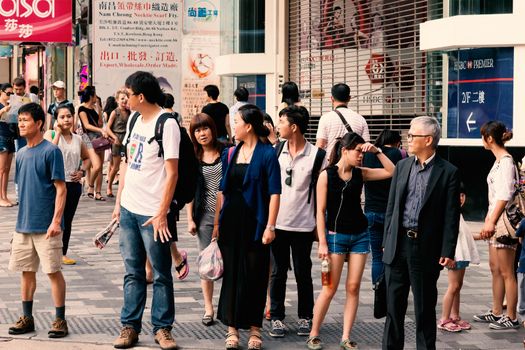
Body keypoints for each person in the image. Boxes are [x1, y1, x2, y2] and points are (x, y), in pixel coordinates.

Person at [307, 132, 394, 350]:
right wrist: (323, 243)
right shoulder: (327, 175)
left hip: (360, 236)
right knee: (329, 287)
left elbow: (392, 171)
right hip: (336, 237)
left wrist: (377, 151)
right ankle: (314, 333)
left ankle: (345, 336)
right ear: (345, 151)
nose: (361, 156)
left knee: (353, 287)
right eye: (358, 151)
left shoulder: (360, 173)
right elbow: (320, 212)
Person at [111, 71, 179, 349]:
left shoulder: (167, 123)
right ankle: (130, 326)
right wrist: (118, 202)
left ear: (141, 96)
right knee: (133, 271)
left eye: (128, 94)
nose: (125, 98)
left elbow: (172, 173)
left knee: (161, 273)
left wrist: (163, 212)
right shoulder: (135, 119)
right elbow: (127, 161)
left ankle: (163, 329)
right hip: (129, 208)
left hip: (153, 213)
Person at [382, 116, 461, 350]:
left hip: (425, 248)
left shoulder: (448, 172)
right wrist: (388, 238)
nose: (407, 139)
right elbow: (392, 207)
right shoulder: (403, 166)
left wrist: (448, 249)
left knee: (424, 309)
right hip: (397, 246)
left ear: (428, 140)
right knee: (393, 308)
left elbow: (451, 215)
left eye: (411, 135)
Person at [217, 104, 281, 350]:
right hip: (231, 222)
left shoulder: (267, 154)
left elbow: (275, 193)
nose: (234, 126)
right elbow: (223, 191)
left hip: (257, 222)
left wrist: (270, 226)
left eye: (237, 122)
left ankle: (255, 329)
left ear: (248, 126)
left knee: (255, 274)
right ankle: (232, 328)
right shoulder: (232, 152)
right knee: (232, 274)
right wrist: (217, 226)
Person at [7, 102, 68, 338]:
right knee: (26, 271)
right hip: (23, 225)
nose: (21, 124)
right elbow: (23, 191)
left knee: (52, 271)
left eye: (26, 120)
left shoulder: (51, 152)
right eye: (19, 120)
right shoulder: (21, 154)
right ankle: (27, 318)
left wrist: (56, 221)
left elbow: (61, 190)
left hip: (47, 227)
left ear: (39, 123)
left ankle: (60, 320)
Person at [269, 105, 326, 339]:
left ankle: (306, 317)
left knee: (303, 272)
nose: (277, 126)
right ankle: (277, 317)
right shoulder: (276, 151)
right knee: (277, 272)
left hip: (303, 225)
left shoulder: (317, 156)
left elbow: (323, 195)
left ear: (294, 127)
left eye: (281, 122)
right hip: (278, 224)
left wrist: (319, 226)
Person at [473, 121, 520, 330]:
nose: (481, 140)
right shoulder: (499, 161)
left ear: (489, 138)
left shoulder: (507, 161)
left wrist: (491, 220)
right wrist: (489, 218)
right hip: (495, 217)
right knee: (495, 268)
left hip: (504, 221)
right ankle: (496, 311)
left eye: (483, 136)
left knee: (507, 270)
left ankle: (511, 316)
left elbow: (505, 194)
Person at [187, 112, 223, 326]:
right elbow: (191, 191)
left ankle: (228, 307)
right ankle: (208, 308)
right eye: (197, 130)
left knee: (230, 260)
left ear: (212, 129)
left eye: (205, 128)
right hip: (205, 216)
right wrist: (190, 218)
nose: (202, 133)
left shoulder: (227, 151)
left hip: (228, 215)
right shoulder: (194, 158)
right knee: (206, 263)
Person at [44, 105, 90, 265]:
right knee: (55, 218)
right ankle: (49, 251)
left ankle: (62, 253)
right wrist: (57, 132)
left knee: (67, 220)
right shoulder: (50, 135)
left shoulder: (78, 138)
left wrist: (82, 171)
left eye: (69, 116)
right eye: (62, 117)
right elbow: (49, 152)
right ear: (56, 119)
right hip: (55, 185)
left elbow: (87, 158)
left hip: (73, 185)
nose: (66, 119)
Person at [362, 129, 403, 285]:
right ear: (397, 142)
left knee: (377, 257)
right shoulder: (395, 153)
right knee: (392, 255)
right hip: (389, 212)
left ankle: (377, 289)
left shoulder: (366, 154)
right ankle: (390, 291)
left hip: (371, 211)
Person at [438, 183, 480, 332]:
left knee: (458, 286)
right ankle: (444, 318)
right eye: (457, 195)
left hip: (462, 255)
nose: (460, 198)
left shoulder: (458, 214)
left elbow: (465, 236)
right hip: (454, 255)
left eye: (462, 195)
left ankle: (455, 315)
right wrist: (448, 254)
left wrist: (480, 236)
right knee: (453, 286)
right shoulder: (449, 214)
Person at [315, 83, 369, 159]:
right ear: (349, 98)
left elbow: (320, 145)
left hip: (331, 165)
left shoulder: (325, 118)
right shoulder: (360, 119)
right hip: (353, 166)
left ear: (332, 99)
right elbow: (366, 146)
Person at [78, 86, 107, 201]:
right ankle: (90, 186)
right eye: (95, 95)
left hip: (98, 138)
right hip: (87, 138)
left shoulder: (95, 108)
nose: (96, 97)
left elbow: (100, 123)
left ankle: (98, 192)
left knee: (99, 168)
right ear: (91, 96)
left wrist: (99, 108)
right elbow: (86, 125)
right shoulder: (82, 109)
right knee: (97, 165)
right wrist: (100, 130)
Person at [106, 89, 130, 198]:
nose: (124, 100)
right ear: (117, 100)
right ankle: (109, 187)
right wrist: (114, 137)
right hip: (117, 140)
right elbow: (107, 128)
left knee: (127, 165)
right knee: (115, 167)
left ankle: (125, 189)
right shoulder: (114, 112)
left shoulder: (129, 111)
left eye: (126, 98)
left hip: (127, 140)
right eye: (122, 98)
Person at [0, 83, 15, 207]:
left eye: (12, 93)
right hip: (1, 137)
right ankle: (0, 197)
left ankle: (4, 195)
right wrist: (2, 110)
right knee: (1, 169)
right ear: (1, 92)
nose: (10, 95)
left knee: (7, 170)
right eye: (8, 93)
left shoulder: (11, 105)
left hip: (11, 136)